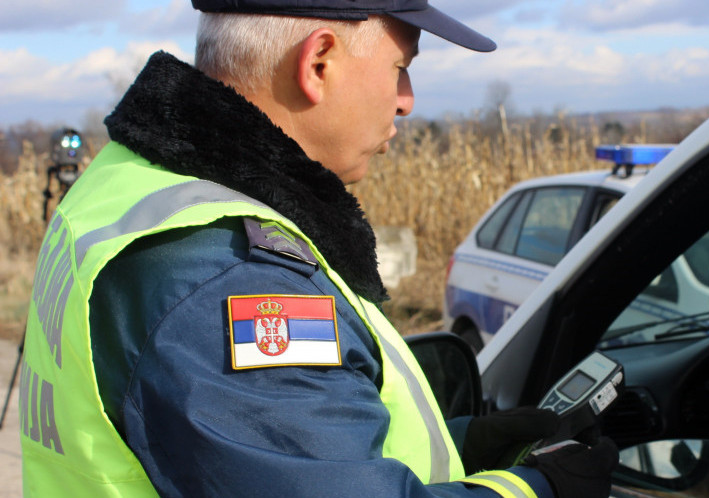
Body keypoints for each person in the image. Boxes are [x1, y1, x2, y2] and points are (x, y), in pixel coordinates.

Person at [19, 1, 618, 496]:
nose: (407, 99)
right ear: (319, 62)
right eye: (400, 68)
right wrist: (540, 490)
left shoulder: (130, 184)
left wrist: (460, 445)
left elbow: (251, 458)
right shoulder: (231, 274)